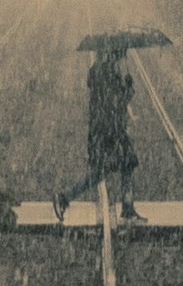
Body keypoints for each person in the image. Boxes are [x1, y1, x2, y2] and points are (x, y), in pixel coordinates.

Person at [59, 45, 140, 214]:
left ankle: (67, 197)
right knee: (120, 165)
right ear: (114, 54)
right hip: (111, 129)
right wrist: (128, 86)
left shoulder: (97, 71)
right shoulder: (110, 73)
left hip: (101, 129)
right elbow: (118, 101)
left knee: (114, 166)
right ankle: (66, 197)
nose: (123, 58)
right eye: (122, 54)